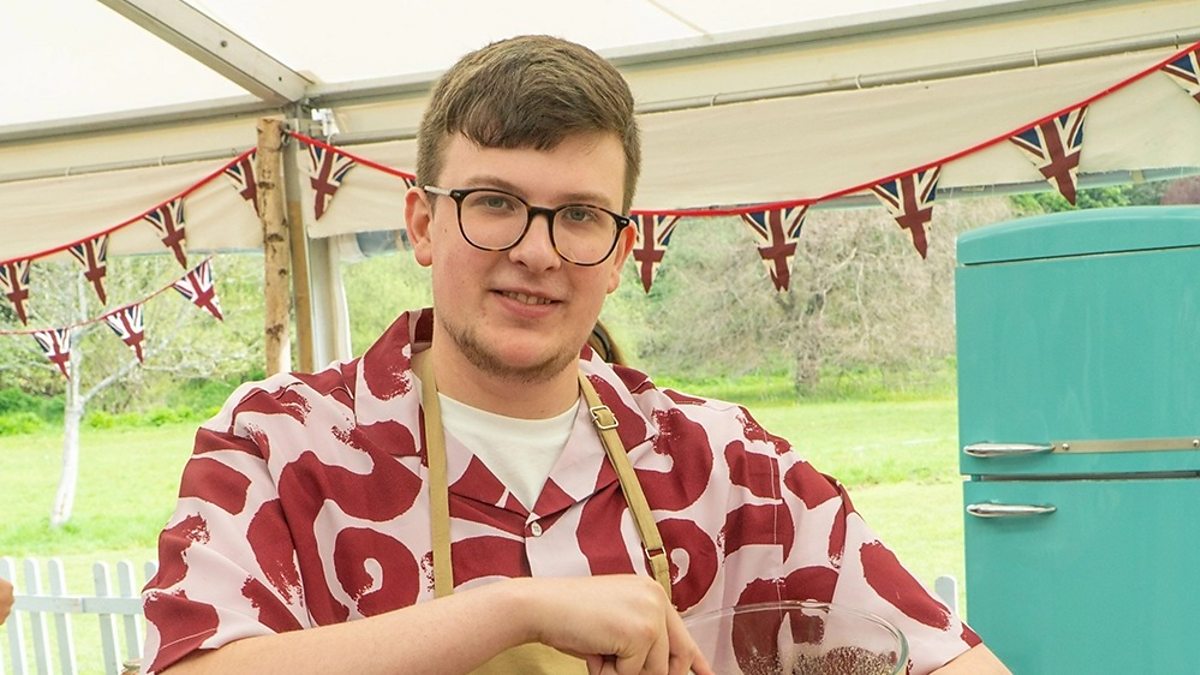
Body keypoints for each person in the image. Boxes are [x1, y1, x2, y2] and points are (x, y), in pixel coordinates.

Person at [141, 35, 1008, 675]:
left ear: (622, 251)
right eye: (494, 202)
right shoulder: (280, 442)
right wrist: (510, 610)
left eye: (582, 215)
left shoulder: (728, 465)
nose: (538, 250)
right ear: (421, 224)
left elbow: (946, 658)